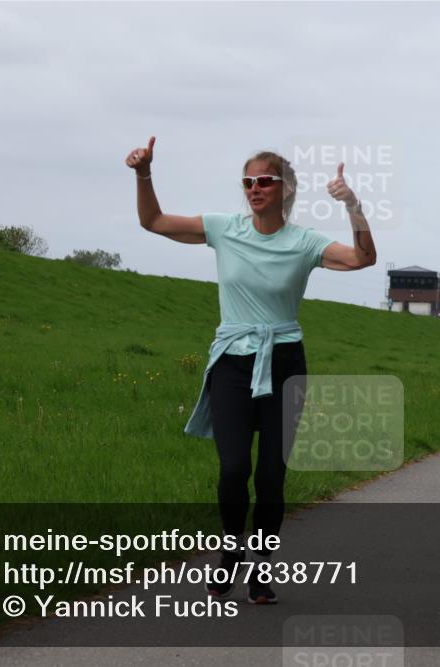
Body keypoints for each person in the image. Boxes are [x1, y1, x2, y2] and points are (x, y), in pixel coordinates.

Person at [126, 138, 377, 604]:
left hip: (285, 363)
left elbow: (363, 258)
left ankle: (261, 567)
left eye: (264, 181)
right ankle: (231, 550)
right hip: (233, 363)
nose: (255, 188)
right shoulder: (225, 229)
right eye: (248, 182)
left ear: (286, 189)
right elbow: (153, 221)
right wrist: (144, 174)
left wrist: (353, 206)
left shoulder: (304, 242)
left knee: (270, 477)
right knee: (234, 469)